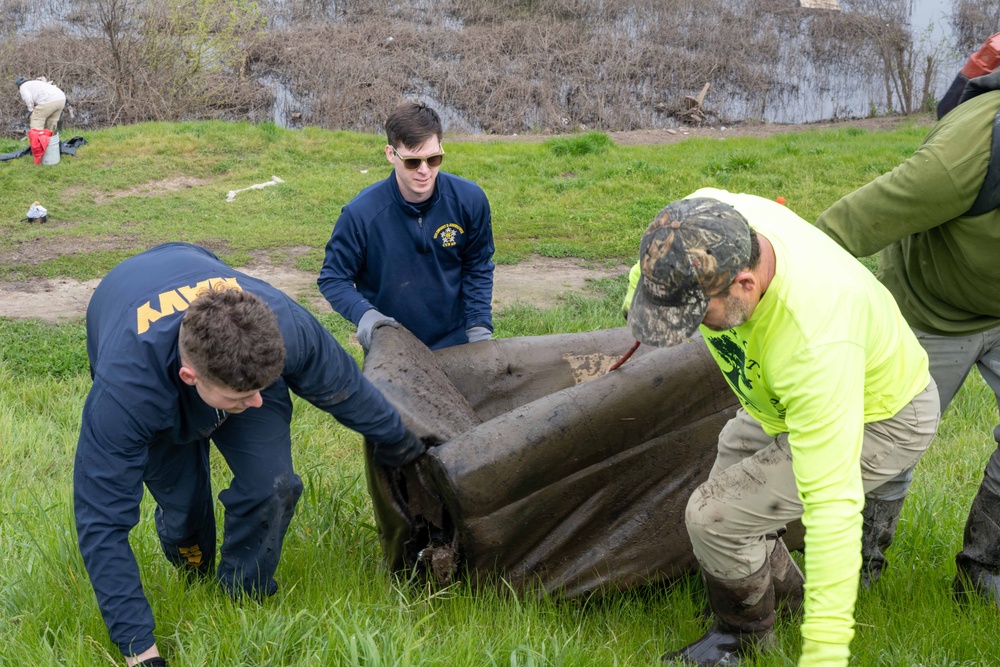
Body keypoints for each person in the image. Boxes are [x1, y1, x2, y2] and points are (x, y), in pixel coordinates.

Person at [627, 189, 939, 666]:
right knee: (724, 514)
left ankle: (744, 640)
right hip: (780, 398)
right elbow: (656, 260)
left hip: (880, 415)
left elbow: (833, 512)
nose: (688, 331)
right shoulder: (702, 218)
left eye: (695, 317)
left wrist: (826, 655)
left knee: (715, 516)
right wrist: (647, 303)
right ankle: (780, 603)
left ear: (746, 284)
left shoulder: (816, 338)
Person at [75, 242, 426, 667]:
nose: (259, 403)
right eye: (242, 395)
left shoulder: (283, 325)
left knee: (274, 485)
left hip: (204, 297)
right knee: (187, 516)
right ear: (190, 377)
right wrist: (139, 651)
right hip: (127, 313)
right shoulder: (125, 395)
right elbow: (102, 524)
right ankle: (192, 559)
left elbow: (345, 390)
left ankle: (243, 591)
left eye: (263, 387)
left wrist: (402, 445)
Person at [815, 86, 1000, 603]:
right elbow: (842, 228)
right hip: (930, 309)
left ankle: (985, 571)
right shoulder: (962, 158)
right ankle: (855, 571)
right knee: (887, 445)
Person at [318, 101, 495, 351]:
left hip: (457, 342)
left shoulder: (469, 200)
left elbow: (477, 265)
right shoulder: (361, 214)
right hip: (390, 346)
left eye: (434, 159)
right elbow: (333, 278)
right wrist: (367, 317)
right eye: (413, 162)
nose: (424, 171)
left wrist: (478, 327)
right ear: (391, 154)